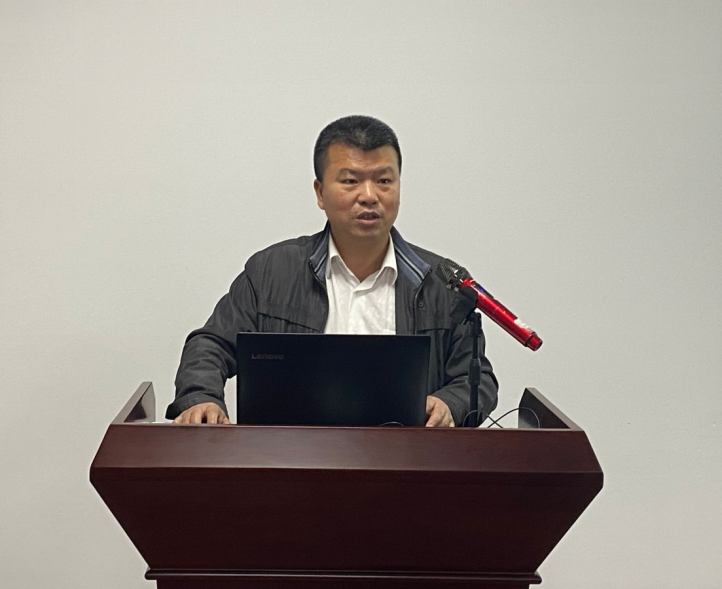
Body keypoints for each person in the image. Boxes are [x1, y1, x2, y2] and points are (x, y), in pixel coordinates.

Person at [166, 115, 498, 426]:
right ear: (320, 193)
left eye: (384, 180)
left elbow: (478, 380)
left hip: (405, 460)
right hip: (288, 457)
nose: (369, 196)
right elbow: (211, 345)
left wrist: (449, 404)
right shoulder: (271, 271)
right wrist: (201, 398)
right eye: (351, 181)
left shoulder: (441, 282)